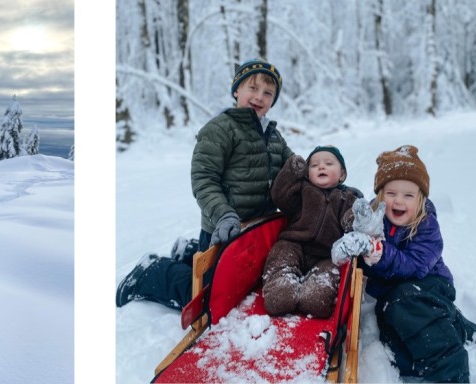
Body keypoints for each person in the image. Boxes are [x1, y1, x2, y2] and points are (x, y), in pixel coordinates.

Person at [117, 58, 293, 310]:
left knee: (251, 285)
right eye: (252, 88)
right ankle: (151, 272)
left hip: (255, 232)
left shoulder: (273, 135)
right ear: (236, 90)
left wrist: (323, 174)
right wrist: (223, 214)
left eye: (268, 93)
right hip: (223, 230)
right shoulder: (221, 129)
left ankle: (188, 252)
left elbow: (292, 170)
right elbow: (204, 179)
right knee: (210, 300)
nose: (259, 97)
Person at [360, 145, 476, 383]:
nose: (399, 201)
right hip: (393, 298)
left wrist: (381, 253)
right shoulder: (374, 220)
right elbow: (368, 264)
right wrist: (366, 256)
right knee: (399, 350)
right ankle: (454, 328)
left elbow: (415, 266)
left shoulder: (426, 224)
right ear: (380, 195)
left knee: (405, 301)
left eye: (408, 195)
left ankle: (452, 371)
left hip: (429, 285)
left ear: (420, 198)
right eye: (391, 194)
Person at [262, 146, 361, 318]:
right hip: (294, 244)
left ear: (342, 175)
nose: (321, 167)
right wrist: (291, 172)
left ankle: (316, 289)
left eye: (328, 163)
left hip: (327, 256)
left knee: (315, 300)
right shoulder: (302, 190)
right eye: (314, 165)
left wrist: (354, 216)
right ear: (308, 173)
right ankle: (281, 284)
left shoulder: (346, 198)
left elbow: (352, 226)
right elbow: (279, 196)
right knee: (280, 255)